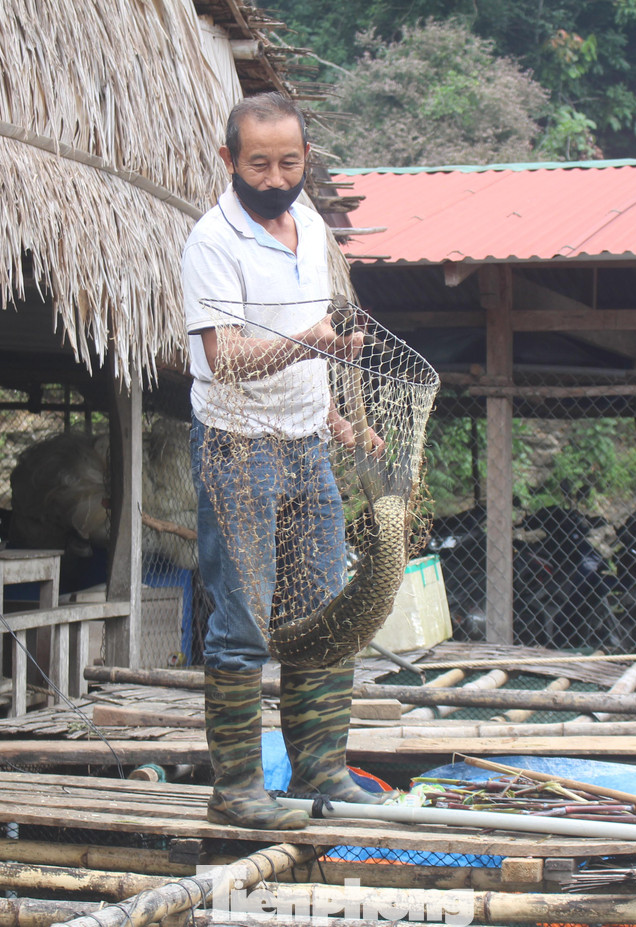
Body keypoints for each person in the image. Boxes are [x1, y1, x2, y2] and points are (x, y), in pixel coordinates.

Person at [182, 92, 389, 830]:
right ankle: (236, 789)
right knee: (242, 622)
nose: (274, 177)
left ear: (307, 159)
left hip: (307, 450)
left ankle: (322, 773)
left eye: (289, 162)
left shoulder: (308, 227)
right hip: (238, 450)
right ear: (228, 159)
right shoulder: (212, 241)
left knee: (323, 615)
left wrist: (333, 416)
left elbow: (311, 344)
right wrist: (314, 343)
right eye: (259, 162)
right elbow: (225, 358)